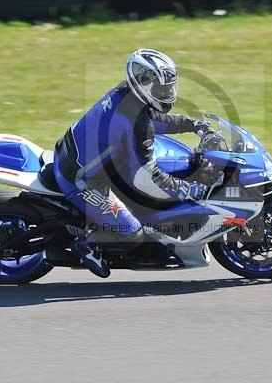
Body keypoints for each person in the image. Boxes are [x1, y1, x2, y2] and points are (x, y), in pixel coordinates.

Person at [53, 48, 211, 278]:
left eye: (169, 87)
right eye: (161, 88)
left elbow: (154, 120)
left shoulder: (128, 96)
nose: (167, 93)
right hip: (82, 179)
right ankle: (87, 244)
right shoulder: (133, 119)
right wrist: (189, 189)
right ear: (143, 84)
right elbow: (146, 177)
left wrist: (192, 125)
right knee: (133, 231)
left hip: (79, 154)